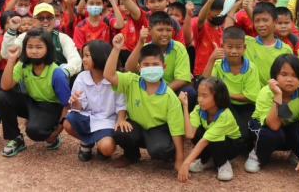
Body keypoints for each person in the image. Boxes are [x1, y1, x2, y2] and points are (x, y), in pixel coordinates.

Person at [105, 33, 185, 168]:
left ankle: (169, 156)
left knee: (160, 149)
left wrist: (180, 159)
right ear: (139, 67)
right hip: (137, 126)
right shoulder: (132, 80)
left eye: (155, 64)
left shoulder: (170, 96)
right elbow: (108, 75)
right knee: (120, 132)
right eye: (146, 64)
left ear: (163, 67)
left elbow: (177, 131)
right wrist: (116, 49)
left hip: (158, 129)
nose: (151, 68)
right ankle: (131, 155)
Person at [0, 28, 71, 156]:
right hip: (32, 101)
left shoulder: (57, 73)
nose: (34, 51)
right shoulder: (23, 64)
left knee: (35, 132)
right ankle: (16, 139)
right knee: (2, 97)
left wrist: (56, 132)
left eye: (39, 47)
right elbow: (5, 86)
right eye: (30, 47)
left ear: (47, 49)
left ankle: (50, 133)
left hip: (51, 107)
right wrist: (11, 60)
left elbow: (67, 105)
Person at [245, 55, 299, 176]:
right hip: (263, 127)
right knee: (272, 134)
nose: (289, 79)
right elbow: (273, 125)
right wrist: (278, 96)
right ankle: (257, 155)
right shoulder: (266, 92)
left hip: (287, 126)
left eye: (294, 75)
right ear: (275, 77)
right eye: (284, 74)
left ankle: (297, 155)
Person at [64, 40, 127, 161]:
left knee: (107, 149)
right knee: (68, 123)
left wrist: (121, 120)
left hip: (108, 120)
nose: (83, 59)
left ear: (100, 56)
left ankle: (97, 142)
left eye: (87, 56)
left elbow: (121, 104)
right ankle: (87, 142)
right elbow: (79, 107)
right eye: (83, 56)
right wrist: (76, 102)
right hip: (89, 117)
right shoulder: (82, 76)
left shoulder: (116, 78)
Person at [177, 77, 241, 182]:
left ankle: (223, 163)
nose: (199, 99)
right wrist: (185, 105)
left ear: (218, 97)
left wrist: (186, 163)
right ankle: (206, 160)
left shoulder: (225, 115)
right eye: (199, 95)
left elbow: (205, 141)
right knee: (198, 133)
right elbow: (190, 134)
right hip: (211, 139)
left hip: (231, 145)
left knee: (215, 140)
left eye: (204, 96)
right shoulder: (199, 109)